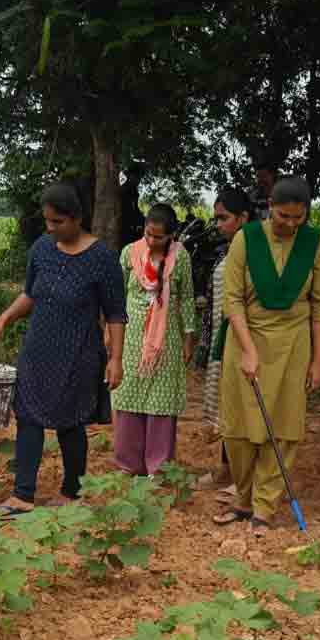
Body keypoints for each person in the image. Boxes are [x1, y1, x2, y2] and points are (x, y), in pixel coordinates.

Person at [0, 183, 127, 520]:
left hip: (80, 353)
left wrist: (116, 359)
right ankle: (22, 496)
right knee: (28, 417)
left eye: (58, 221)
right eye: (47, 221)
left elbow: (116, 313)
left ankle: (72, 493)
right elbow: (31, 293)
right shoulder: (42, 250)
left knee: (70, 422)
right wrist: (3, 318)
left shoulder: (102, 259)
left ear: (77, 218)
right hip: (38, 348)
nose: (51, 228)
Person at [213, 176, 320, 535]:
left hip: (294, 344)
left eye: (299, 218)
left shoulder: (314, 243)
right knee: (238, 428)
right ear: (269, 206)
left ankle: (265, 506)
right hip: (246, 340)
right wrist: (248, 350)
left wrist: (318, 360)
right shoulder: (245, 240)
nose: (291, 225)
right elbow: (232, 299)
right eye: (283, 216)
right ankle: (243, 500)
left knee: (283, 428)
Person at [112, 204, 196, 476]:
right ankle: (128, 464)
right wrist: (109, 332)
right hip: (132, 337)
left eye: (158, 237)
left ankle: (158, 469)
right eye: (148, 234)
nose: (151, 241)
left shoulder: (180, 258)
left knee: (161, 401)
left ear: (171, 236)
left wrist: (188, 337)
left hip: (167, 341)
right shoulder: (129, 253)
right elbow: (115, 298)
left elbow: (186, 299)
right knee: (128, 396)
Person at [195, 188, 254, 496]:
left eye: (224, 218)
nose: (218, 224)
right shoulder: (224, 251)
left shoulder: (256, 253)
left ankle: (243, 479)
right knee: (225, 409)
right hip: (222, 340)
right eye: (216, 217)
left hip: (243, 343)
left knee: (242, 410)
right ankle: (227, 470)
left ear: (244, 218)